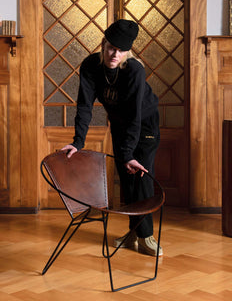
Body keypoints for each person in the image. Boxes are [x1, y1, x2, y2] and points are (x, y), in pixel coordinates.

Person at [61, 19, 162, 256]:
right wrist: (78, 141)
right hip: (119, 125)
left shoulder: (134, 70)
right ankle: (133, 235)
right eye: (111, 48)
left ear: (128, 52)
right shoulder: (90, 66)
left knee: (142, 179)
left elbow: (134, 115)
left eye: (121, 51)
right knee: (126, 181)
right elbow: (85, 106)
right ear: (103, 44)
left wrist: (128, 153)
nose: (115, 54)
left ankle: (146, 237)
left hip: (145, 126)